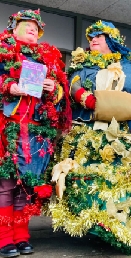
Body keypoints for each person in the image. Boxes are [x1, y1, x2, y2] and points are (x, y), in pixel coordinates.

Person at [48, 20, 131, 256]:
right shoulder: (82, 65)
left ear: (111, 40)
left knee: (126, 178)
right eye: (90, 38)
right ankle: (97, 223)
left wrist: (125, 103)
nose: (92, 40)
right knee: (89, 178)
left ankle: (126, 227)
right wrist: (87, 99)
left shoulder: (129, 66)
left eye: (98, 36)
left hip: (125, 133)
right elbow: (74, 86)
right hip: (88, 130)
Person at [0, 9, 71, 257]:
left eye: (36, 27)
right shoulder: (2, 51)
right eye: (28, 24)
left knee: (26, 187)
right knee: (6, 185)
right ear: (13, 27)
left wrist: (55, 87)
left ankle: (21, 236)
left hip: (37, 133)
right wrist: (10, 87)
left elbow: (61, 97)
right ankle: (4, 239)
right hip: (7, 130)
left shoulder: (48, 57)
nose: (33, 28)